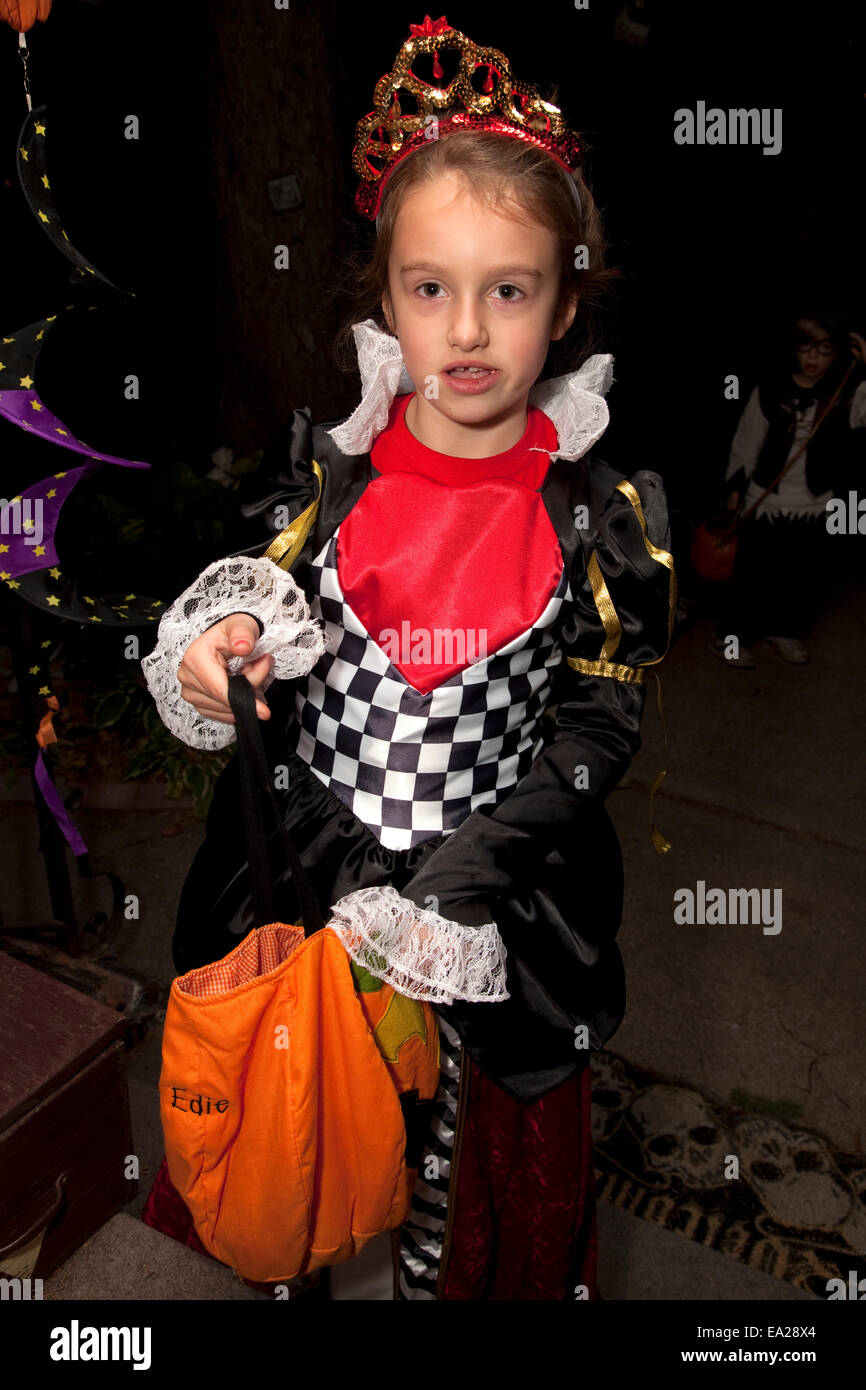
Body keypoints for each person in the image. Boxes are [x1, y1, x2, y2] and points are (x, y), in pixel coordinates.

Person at [139, 15, 674, 1300]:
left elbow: (598, 719)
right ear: (384, 300)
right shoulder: (330, 474)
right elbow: (258, 602)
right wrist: (222, 647)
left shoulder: (599, 511)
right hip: (313, 882)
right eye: (430, 288)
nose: (468, 328)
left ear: (564, 302)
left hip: (491, 901)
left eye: (510, 289)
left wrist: (462, 879)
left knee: (456, 1166)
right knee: (309, 1139)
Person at [709, 313, 866, 668]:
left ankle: (783, 631)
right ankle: (729, 638)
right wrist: (736, 486)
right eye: (807, 347)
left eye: (825, 350)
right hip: (767, 496)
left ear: (838, 354)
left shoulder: (847, 394)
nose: (813, 358)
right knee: (752, 575)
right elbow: (746, 441)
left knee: (799, 574)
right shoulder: (769, 390)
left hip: (814, 500)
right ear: (795, 349)